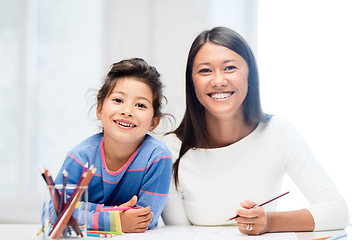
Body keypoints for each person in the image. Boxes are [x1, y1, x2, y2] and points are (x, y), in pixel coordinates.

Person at [160, 27, 349, 235]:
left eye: (230, 68)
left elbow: (338, 211)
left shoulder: (279, 132)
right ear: (192, 82)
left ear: (250, 75)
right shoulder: (170, 151)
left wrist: (270, 222)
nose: (218, 81)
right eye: (205, 70)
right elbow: (177, 234)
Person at [44, 58, 172, 233]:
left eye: (140, 105)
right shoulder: (80, 157)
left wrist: (82, 208)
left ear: (153, 122)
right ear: (99, 109)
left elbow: (144, 219)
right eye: (118, 100)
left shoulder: (157, 156)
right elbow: (52, 212)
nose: (127, 111)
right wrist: (115, 219)